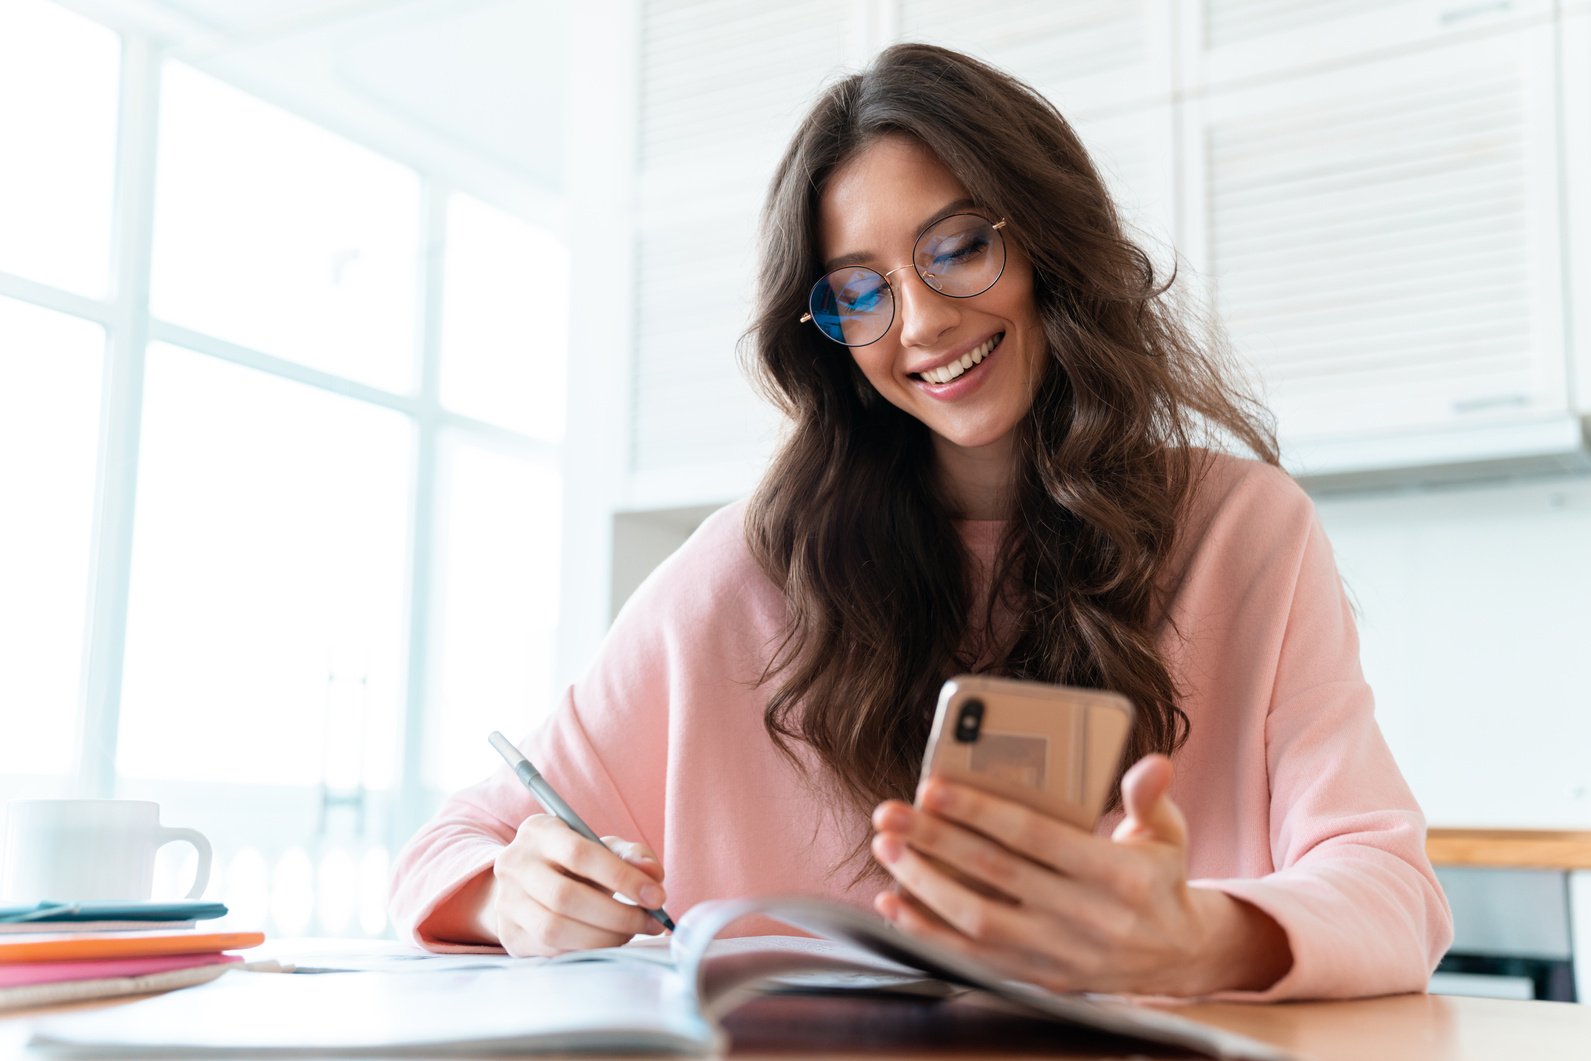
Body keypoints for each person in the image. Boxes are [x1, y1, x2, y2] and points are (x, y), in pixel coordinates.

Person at [390, 43, 1452, 999]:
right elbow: (449, 844)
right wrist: (510, 893)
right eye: (861, 291)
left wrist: (1193, 937)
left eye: (955, 249)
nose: (924, 321)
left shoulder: (1241, 532)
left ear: (1045, 243)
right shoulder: (741, 571)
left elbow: (1390, 890)